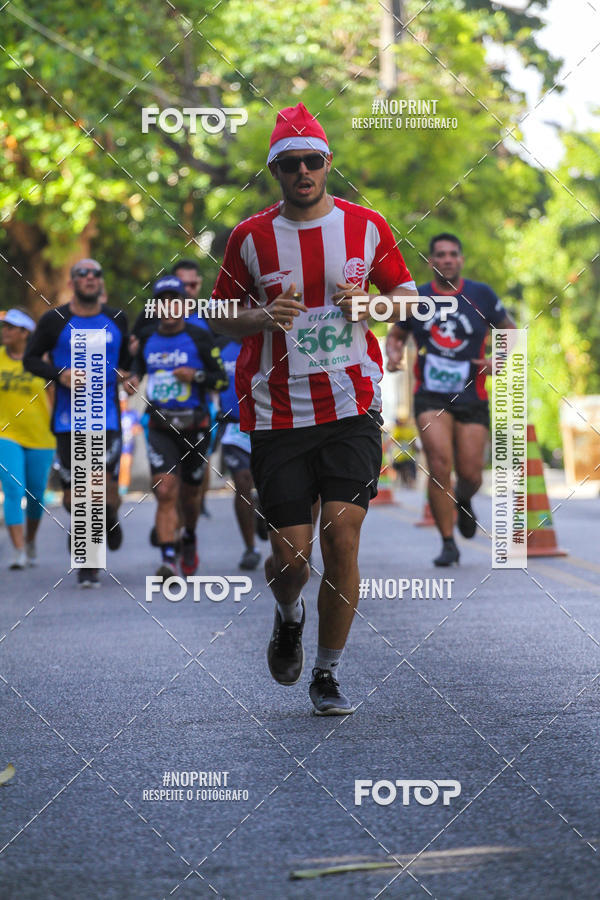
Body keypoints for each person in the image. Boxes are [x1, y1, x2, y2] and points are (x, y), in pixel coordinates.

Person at [209, 102, 418, 715]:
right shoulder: (249, 237)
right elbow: (220, 318)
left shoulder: (367, 226)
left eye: (313, 161)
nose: (304, 171)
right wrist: (258, 317)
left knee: (343, 537)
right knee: (291, 558)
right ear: (276, 171)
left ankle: (327, 674)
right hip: (279, 414)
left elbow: (406, 297)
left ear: (328, 164)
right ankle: (288, 611)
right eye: (291, 164)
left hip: (352, 405)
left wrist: (373, 308)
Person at [386, 233, 516, 566]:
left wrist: (497, 360)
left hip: (473, 393)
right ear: (431, 261)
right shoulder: (417, 297)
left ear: (460, 260)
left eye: (452, 254)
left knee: (472, 475)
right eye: (440, 254)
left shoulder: (481, 295)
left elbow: (510, 331)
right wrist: (394, 354)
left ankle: (463, 501)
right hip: (431, 395)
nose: (446, 259)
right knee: (439, 465)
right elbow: (397, 334)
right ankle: (447, 543)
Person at [23, 258, 130, 588]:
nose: (89, 277)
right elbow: (29, 359)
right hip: (68, 422)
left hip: (107, 418)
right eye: (82, 273)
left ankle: (89, 562)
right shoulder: (54, 321)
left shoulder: (117, 318)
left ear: (100, 282)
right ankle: (104, 520)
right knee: (74, 497)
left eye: (95, 273)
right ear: (72, 282)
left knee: (96, 488)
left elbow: (128, 361)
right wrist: (60, 374)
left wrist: (128, 376)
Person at [125, 276, 228, 579]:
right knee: (165, 489)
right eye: (162, 301)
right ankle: (168, 560)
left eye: (175, 300)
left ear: (185, 305)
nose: (169, 307)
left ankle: (190, 536)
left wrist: (195, 377)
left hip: (196, 425)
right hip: (159, 424)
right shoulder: (145, 339)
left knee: (191, 496)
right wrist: (131, 381)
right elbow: (137, 373)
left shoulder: (200, 337)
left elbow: (221, 379)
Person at [0, 309, 56, 569]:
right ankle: (19, 551)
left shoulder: (42, 360)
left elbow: (55, 397)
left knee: (36, 496)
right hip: (6, 434)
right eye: (4, 327)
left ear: (25, 333)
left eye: (11, 328)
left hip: (41, 437)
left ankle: (31, 539)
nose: (5, 332)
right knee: (13, 489)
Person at [172, 259, 216, 518]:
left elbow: (221, 361)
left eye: (193, 284)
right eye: (182, 284)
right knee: (170, 470)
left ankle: (197, 501)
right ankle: (172, 515)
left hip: (203, 404)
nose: (188, 289)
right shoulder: (154, 315)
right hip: (162, 407)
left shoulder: (209, 317)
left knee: (201, 460)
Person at [216, 336, 262, 570]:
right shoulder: (220, 345)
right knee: (242, 482)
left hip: (267, 423)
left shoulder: (268, 339)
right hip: (234, 426)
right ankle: (250, 547)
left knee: (270, 485)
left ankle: (264, 510)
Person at [389, 416, 418, 489]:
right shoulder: (410, 430)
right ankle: (409, 485)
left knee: (402, 472)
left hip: (400, 456)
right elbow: (414, 443)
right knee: (409, 472)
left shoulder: (397, 429)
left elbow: (392, 441)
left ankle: (399, 485)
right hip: (406, 456)